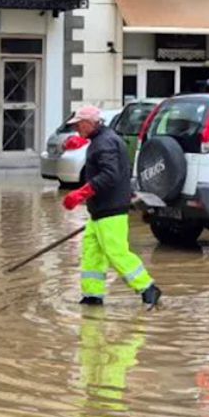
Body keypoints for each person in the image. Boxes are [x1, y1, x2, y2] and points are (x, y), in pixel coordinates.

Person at [61, 104, 162, 308]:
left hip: (111, 210)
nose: (76, 129)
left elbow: (110, 175)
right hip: (99, 211)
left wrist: (81, 193)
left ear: (89, 123)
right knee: (92, 253)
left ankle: (148, 287)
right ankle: (92, 295)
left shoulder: (105, 143)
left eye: (78, 125)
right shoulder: (102, 140)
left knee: (116, 253)